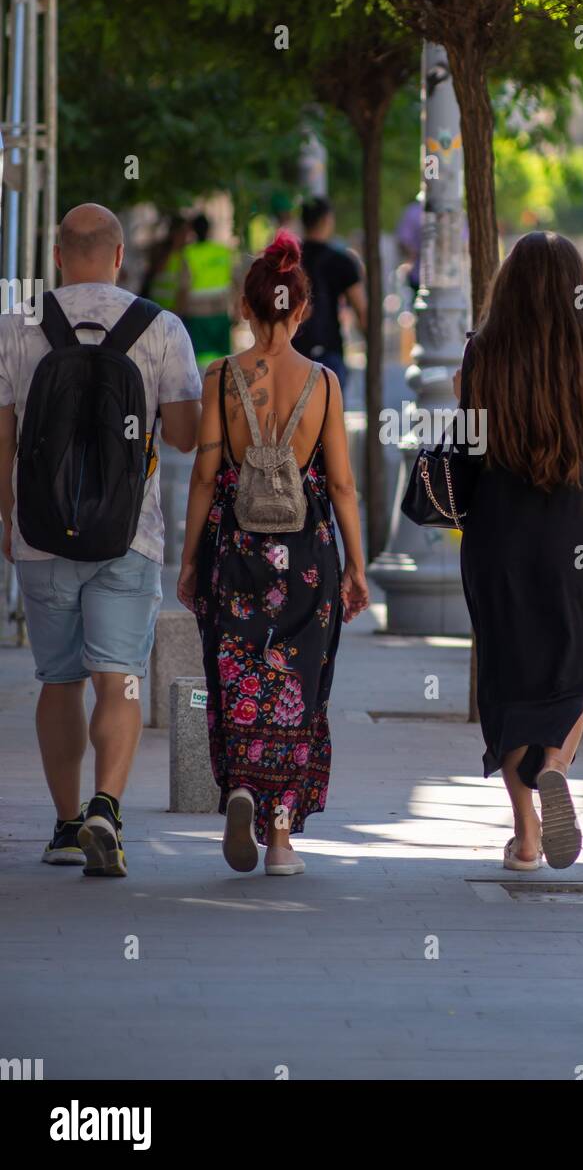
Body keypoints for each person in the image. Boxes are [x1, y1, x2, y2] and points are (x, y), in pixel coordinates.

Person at [0, 203, 201, 876]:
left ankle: (61, 828)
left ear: (58, 257)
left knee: (59, 681)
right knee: (120, 682)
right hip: (128, 534)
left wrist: (9, 518)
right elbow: (182, 437)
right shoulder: (162, 328)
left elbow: (2, 441)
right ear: (118, 256)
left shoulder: (18, 325)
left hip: (39, 536)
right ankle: (105, 809)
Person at [454, 231, 583, 872]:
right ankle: (558, 766)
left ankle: (527, 835)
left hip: (495, 540)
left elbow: (468, 457)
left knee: (508, 686)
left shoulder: (484, 352)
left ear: (507, 284)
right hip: (568, 540)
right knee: (570, 674)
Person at [177, 229, 369, 876]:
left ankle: (239, 785)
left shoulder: (222, 379)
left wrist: (188, 560)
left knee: (237, 678)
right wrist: (359, 567)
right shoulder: (323, 383)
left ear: (245, 308)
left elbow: (205, 475)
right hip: (310, 557)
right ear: (304, 310)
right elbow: (341, 484)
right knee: (299, 687)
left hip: (234, 551)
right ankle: (280, 835)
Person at [294, 197, 367, 390]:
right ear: (327, 220)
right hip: (329, 351)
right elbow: (362, 310)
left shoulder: (290, 261)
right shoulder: (341, 261)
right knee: (330, 416)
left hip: (293, 352)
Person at [178, 211, 236, 366]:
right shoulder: (223, 251)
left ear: (193, 231)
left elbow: (184, 287)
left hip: (197, 316)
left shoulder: (189, 254)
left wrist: (177, 313)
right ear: (209, 230)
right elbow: (234, 282)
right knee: (223, 362)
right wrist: (237, 311)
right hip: (221, 314)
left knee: (202, 364)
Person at [144, 213, 191, 312]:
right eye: (184, 232)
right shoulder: (161, 251)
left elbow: (183, 288)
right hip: (155, 309)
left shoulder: (185, 254)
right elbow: (155, 272)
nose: (186, 236)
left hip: (172, 311)